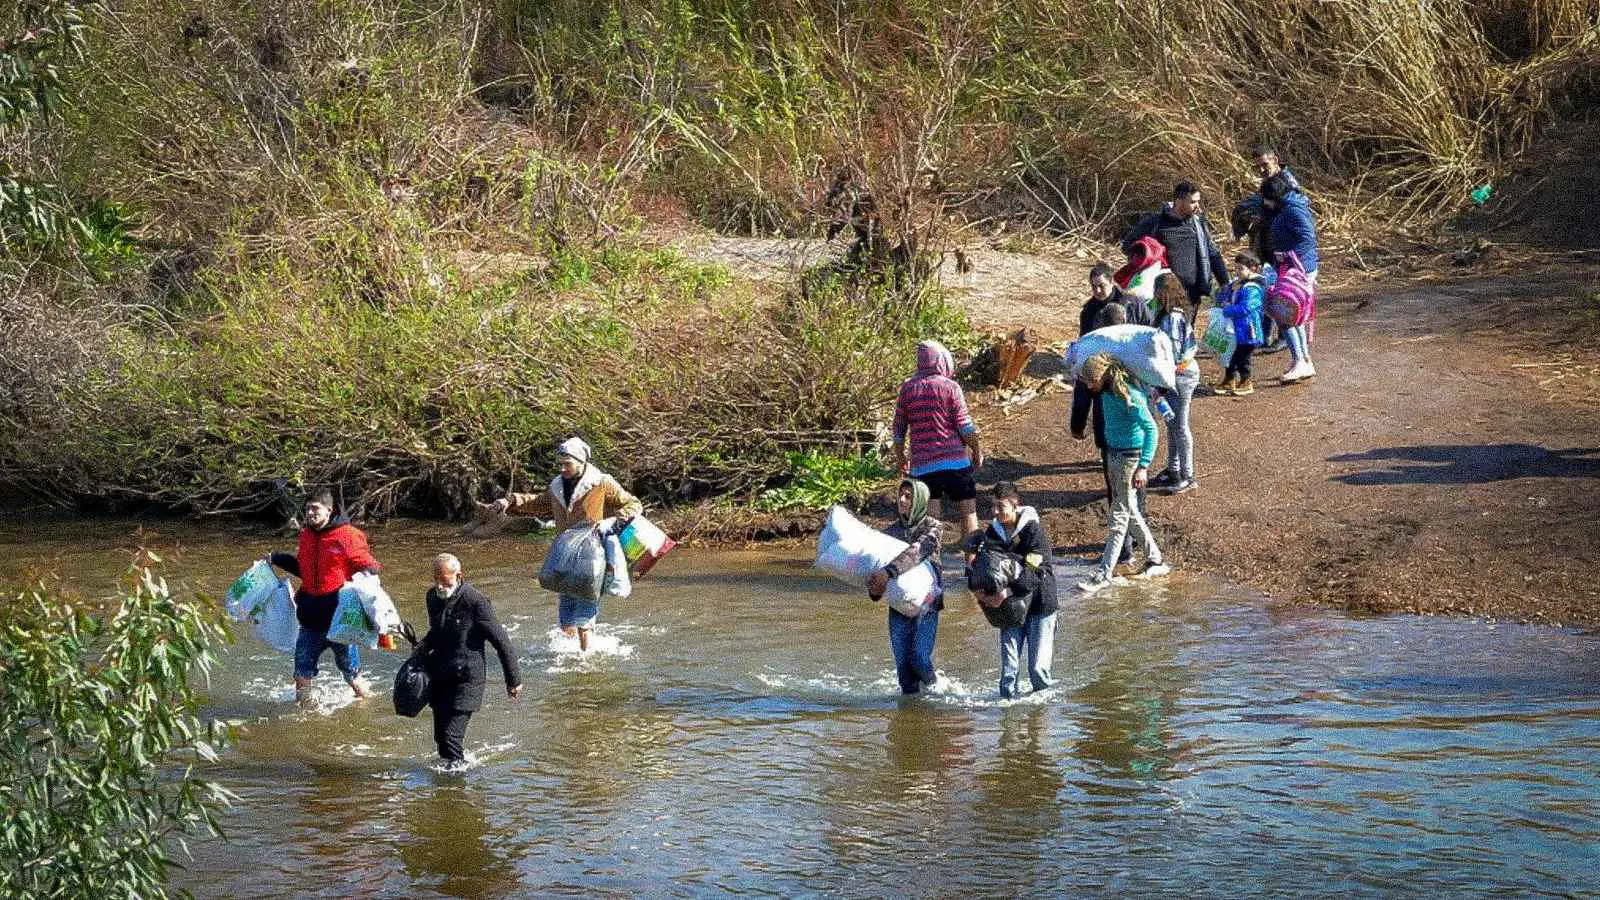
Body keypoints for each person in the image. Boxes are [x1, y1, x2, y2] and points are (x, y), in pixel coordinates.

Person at [487, 437, 642, 651]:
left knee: (585, 608)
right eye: (560, 464)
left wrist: (612, 521)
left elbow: (633, 504)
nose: (562, 468)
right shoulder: (557, 485)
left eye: (567, 464)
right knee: (566, 610)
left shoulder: (601, 482)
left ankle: (584, 660)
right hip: (565, 552)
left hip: (592, 553)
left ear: (581, 462)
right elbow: (539, 504)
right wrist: (510, 501)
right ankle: (568, 653)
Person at [269, 489, 381, 703]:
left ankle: (369, 706)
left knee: (353, 676)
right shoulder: (306, 535)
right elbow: (305, 570)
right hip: (310, 620)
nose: (310, 513)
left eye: (315, 508)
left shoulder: (347, 535)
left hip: (340, 621)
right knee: (301, 674)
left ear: (329, 510)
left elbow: (369, 566)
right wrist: (278, 558)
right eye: (308, 508)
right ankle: (304, 716)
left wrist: (368, 585)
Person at [1076, 354, 1170, 594]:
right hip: (1113, 455)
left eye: (1090, 380)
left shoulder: (1130, 396)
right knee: (1129, 511)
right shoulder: (1105, 393)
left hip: (1131, 459)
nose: (1088, 385)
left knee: (1119, 514)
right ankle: (1155, 559)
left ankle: (1104, 573)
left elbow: (1152, 429)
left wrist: (1144, 466)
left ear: (1102, 376)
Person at [421, 553, 521, 769]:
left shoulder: (475, 601)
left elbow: (501, 641)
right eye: (435, 578)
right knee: (440, 738)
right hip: (440, 675)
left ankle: (458, 782)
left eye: (444, 579)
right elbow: (436, 632)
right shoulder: (432, 597)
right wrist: (420, 649)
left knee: (450, 736)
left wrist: (513, 680)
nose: (439, 584)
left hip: (467, 679)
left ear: (459, 576)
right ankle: (448, 780)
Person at [1070, 302, 1143, 571]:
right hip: (1136, 435)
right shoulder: (1137, 347)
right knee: (1136, 491)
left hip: (1110, 434)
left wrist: (1077, 425)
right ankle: (1137, 546)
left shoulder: (1096, 353)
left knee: (1117, 492)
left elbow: (1083, 392)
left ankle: (1123, 551)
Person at [969, 482, 1058, 699]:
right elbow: (982, 570)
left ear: (1015, 506)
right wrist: (979, 591)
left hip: (1040, 605)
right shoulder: (992, 533)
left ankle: (1041, 722)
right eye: (993, 507)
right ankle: (1008, 725)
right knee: (1008, 676)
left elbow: (1038, 572)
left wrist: (1007, 592)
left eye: (1001, 507)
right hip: (1009, 610)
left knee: (1037, 671)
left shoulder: (1033, 531)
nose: (996, 512)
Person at [892, 340, 984, 547]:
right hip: (957, 464)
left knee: (931, 522)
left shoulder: (907, 389)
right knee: (969, 511)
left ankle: (932, 562)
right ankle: (974, 563)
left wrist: (900, 457)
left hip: (924, 466)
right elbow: (965, 427)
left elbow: (898, 429)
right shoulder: (951, 387)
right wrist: (976, 450)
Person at [866, 479, 945, 695]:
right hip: (898, 607)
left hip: (927, 605)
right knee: (904, 672)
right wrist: (874, 589)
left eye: (908, 496)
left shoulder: (933, 527)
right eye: (901, 495)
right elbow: (876, 573)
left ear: (919, 501)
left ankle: (937, 690)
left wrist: (887, 572)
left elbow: (916, 552)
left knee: (918, 658)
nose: (902, 500)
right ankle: (911, 715)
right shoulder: (890, 534)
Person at [1121, 180, 1230, 305]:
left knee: (1187, 325)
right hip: (1161, 293)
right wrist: (1146, 253)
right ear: (1178, 201)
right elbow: (1127, 245)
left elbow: (1212, 254)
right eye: (1193, 202)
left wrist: (1225, 283)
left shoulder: (1198, 224)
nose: (1198, 206)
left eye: (1198, 201)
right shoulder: (1155, 222)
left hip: (1191, 294)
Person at [1262, 172, 1320, 383]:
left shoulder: (1293, 210)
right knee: (1293, 316)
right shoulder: (1289, 207)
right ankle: (1303, 360)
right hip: (1291, 268)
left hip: (1297, 270)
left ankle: (1300, 360)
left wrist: (1288, 256)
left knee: (1284, 314)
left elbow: (1307, 238)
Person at [1148, 274, 1199, 493]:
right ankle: (1173, 469)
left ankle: (1188, 475)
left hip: (1180, 375)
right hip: (1170, 376)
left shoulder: (1174, 318)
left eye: (1157, 291)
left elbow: (1175, 352)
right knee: (1171, 423)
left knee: (1180, 426)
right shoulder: (1166, 315)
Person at [1214, 251, 1268, 396]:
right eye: (1236, 268)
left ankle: (1246, 379)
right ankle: (1229, 378)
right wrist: (1224, 297)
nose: (1237, 272)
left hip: (1247, 329)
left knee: (1243, 358)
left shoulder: (1253, 288)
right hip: (1234, 328)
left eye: (1240, 269)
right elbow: (1221, 295)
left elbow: (1246, 308)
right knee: (1229, 353)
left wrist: (1227, 309)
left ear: (1253, 269)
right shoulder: (1237, 284)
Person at [1079, 263, 1120, 336]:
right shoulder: (1088, 311)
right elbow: (1085, 341)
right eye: (1094, 286)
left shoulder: (1133, 305)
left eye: (1102, 286)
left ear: (1112, 282)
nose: (1098, 290)